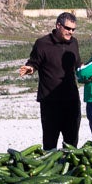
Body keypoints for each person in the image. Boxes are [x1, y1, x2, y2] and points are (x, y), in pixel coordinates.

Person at [18, 12, 81, 150]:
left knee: (71, 144)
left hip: (71, 101)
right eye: (68, 28)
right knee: (50, 144)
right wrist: (30, 68)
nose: (71, 32)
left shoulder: (74, 43)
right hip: (50, 102)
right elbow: (33, 62)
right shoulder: (42, 44)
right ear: (58, 25)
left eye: (73, 29)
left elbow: (78, 66)